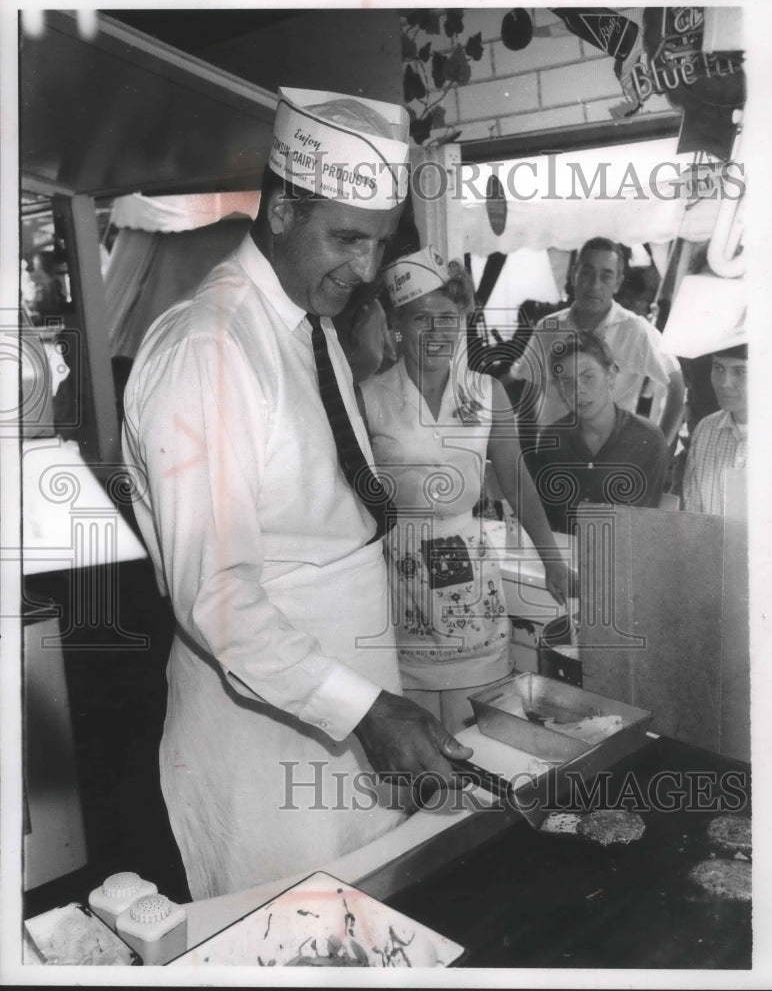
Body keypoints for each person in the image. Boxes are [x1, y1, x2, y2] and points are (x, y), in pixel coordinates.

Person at [121, 87, 473, 901]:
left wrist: (378, 704)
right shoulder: (210, 348)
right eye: (346, 238)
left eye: (379, 243)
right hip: (267, 750)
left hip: (350, 732)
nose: (365, 270)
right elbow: (215, 596)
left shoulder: (310, 329)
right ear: (280, 211)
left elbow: (326, 534)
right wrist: (368, 712)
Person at [359, 247, 571, 732]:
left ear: (462, 320)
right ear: (396, 323)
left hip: (468, 567)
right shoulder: (367, 396)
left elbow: (517, 479)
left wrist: (552, 561)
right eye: (419, 319)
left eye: (447, 317)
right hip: (396, 572)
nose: (436, 332)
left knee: (475, 723)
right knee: (414, 728)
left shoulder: (486, 391)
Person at [509, 237, 685, 447]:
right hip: (552, 458)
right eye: (587, 272)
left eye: (606, 276)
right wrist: (529, 457)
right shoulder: (548, 328)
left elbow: (676, 386)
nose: (594, 285)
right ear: (574, 274)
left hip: (608, 462)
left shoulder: (634, 330)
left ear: (618, 282)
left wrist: (659, 453)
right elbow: (528, 398)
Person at [525, 332, 669, 534]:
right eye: (567, 381)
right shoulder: (552, 439)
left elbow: (644, 528)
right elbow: (547, 520)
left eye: (588, 377)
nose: (578, 390)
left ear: (610, 376)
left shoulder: (647, 439)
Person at [683, 344, 748, 515]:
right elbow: (693, 515)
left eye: (741, 371)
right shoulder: (706, 429)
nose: (725, 383)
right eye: (718, 367)